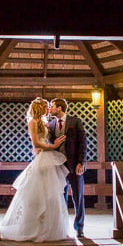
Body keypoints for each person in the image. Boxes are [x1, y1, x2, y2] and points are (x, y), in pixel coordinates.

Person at [0, 98, 70, 242]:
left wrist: (52, 145)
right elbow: (36, 143)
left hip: (48, 159)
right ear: (40, 108)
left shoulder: (44, 123)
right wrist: (53, 146)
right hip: (42, 159)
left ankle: (50, 228)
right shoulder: (32, 122)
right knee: (38, 195)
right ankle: (33, 227)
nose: (48, 109)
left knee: (51, 194)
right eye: (46, 106)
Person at [48, 98, 87, 238]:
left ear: (59, 108)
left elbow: (83, 142)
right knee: (60, 198)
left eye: (52, 106)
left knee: (78, 197)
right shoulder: (51, 124)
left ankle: (80, 228)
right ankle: (62, 227)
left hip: (75, 166)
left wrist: (81, 162)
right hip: (58, 167)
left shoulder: (75, 121)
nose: (50, 109)